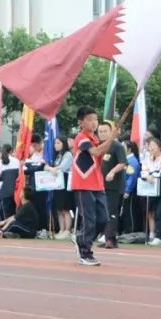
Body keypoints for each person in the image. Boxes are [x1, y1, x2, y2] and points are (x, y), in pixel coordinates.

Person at [72, 107, 117, 267]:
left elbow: (102, 150)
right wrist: (111, 138)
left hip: (97, 184)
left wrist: (111, 138)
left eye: (95, 119)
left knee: (104, 218)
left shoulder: (95, 138)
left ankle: (82, 239)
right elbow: (96, 152)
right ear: (81, 122)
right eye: (89, 119)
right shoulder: (81, 138)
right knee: (89, 219)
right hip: (83, 184)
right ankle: (85, 252)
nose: (94, 123)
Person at [97, 121, 127, 249]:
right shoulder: (98, 146)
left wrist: (112, 172)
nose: (102, 134)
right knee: (103, 212)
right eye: (100, 131)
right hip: (99, 184)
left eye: (105, 131)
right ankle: (109, 237)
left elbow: (122, 163)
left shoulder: (117, 146)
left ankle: (109, 238)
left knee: (112, 212)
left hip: (113, 186)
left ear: (111, 132)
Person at [140, 137, 161, 246]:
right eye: (149, 145)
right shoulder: (147, 158)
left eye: (152, 145)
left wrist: (151, 175)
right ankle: (151, 234)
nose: (150, 148)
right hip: (150, 189)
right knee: (150, 212)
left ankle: (160, 236)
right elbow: (143, 172)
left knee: (160, 213)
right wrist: (148, 176)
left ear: (159, 146)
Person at [50, 136, 74, 239]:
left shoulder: (68, 154)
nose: (56, 145)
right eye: (55, 143)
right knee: (58, 209)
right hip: (57, 183)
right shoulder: (57, 156)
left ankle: (67, 230)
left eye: (58, 143)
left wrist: (52, 168)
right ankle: (61, 229)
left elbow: (63, 168)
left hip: (65, 182)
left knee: (65, 208)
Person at [0, 143, 20, 224]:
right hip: (16, 190)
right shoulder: (17, 161)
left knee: (6, 212)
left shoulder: (0, 162)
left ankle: (5, 228)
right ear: (11, 151)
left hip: (5, 191)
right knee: (15, 212)